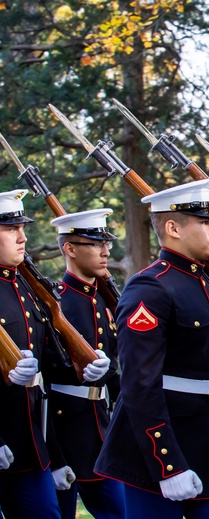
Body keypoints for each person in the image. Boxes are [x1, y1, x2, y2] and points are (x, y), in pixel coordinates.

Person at [93, 179, 209, 519]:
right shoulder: (150, 287)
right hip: (155, 446)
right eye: (205, 222)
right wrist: (167, 463)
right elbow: (138, 384)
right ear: (173, 227)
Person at [0, 189, 110, 519]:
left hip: (30, 444)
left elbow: (49, 367)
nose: (22, 237)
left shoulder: (26, 287)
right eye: (10, 229)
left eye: (22, 228)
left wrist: (84, 369)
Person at [47, 208, 124, 519]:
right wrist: (53, 455)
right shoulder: (57, 302)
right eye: (94, 244)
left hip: (101, 431)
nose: (106, 250)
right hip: (65, 434)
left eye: (105, 242)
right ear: (70, 249)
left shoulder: (103, 299)